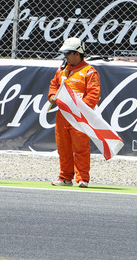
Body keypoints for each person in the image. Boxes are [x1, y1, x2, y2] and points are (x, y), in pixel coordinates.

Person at [47, 37, 100, 188]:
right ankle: (65, 177)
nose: (65, 56)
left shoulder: (90, 72)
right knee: (63, 148)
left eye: (68, 53)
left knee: (81, 148)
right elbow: (53, 85)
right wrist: (52, 96)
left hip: (79, 117)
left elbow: (93, 95)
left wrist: (79, 110)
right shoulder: (62, 68)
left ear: (78, 53)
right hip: (62, 115)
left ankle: (83, 178)